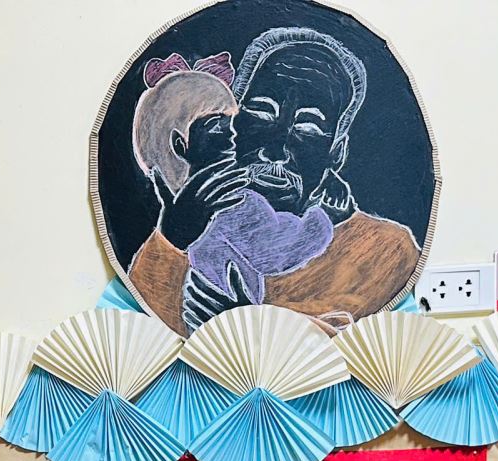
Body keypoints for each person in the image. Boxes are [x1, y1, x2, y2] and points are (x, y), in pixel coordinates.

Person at [130, 26, 422, 333]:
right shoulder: (180, 235)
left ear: (336, 152)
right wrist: (174, 238)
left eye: (308, 127)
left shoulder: (386, 252)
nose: (274, 152)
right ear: (233, 123)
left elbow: (381, 347)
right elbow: (140, 331)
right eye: (260, 113)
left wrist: (254, 328)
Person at [129, 51, 333, 307]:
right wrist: (321, 219)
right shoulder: (227, 196)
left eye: (234, 123)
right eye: (218, 126)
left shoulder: (186, 197)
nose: (233, 134)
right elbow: (278, 252)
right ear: (180, 145)